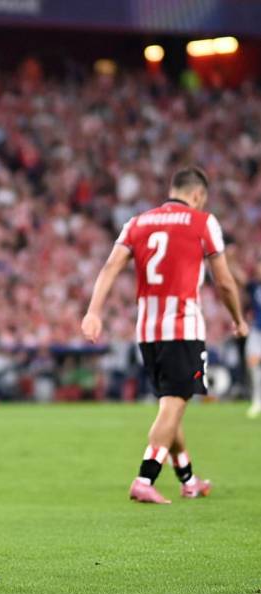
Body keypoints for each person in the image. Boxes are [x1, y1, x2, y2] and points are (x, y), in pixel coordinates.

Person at [81, 167, 248, 504]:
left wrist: (94, 311)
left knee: (170, 406)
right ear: (198, 195)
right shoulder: (203, 223)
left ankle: (188, 480)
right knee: (174, 404)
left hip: (147, 330)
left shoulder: (137, 222)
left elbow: (110, 267)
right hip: (183, 327)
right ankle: (145, 479)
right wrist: (238, 319)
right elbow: (225, 281)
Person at [245, 263, 261, 418]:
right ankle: (257, 401)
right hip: (257, 331)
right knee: (253, 365)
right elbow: (240, 280)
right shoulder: (254, 286)